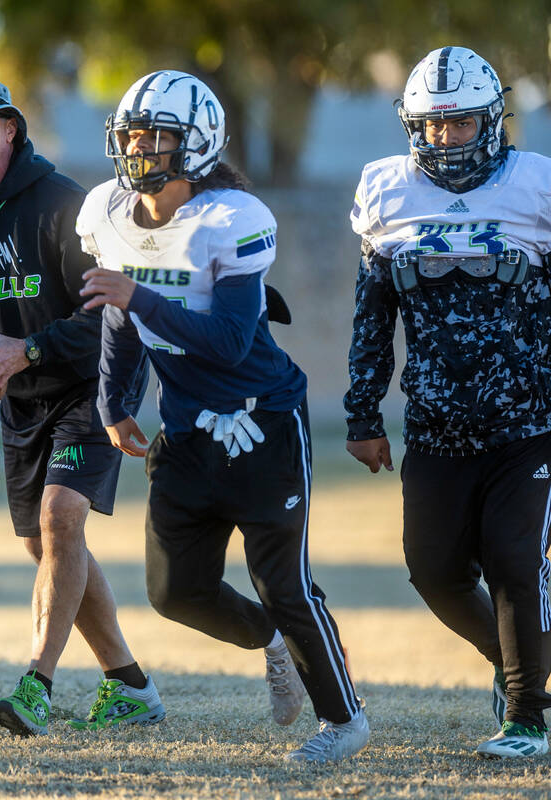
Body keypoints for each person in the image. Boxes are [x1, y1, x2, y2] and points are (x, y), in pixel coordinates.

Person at [78, 70, 367, 764]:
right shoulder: (107, 212)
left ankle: (345, 722)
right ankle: (274, 641)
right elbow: (118, 315)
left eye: (159, 135)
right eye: (134, 134)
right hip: (185, 427)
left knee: (283, 582)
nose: (142, 147)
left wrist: (138, 296)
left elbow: (230, 339)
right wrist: (114, 402)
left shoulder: (231, 218)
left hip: (260, 419)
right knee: (176, 591)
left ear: (198, 144)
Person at [0, 75, 161, 736]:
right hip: (20, 400)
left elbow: (112, 315)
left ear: (12, 129)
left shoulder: (62, 206)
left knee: (60, 518)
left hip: (90, 382)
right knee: (42, 542)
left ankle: (36, 687)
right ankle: (130, 684)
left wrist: (26, 350)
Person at [346, 46, 551, 759]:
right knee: (432, 570)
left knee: (515, 562)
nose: (444, 139)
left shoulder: (538, 186)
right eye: (431, 127)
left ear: (491, 122)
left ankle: (528, 716)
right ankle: (520, 661)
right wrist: (363, 414)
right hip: (434, 425)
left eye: (459, 126)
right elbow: (371, 312)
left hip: (529, 423)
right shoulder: (385, 190)